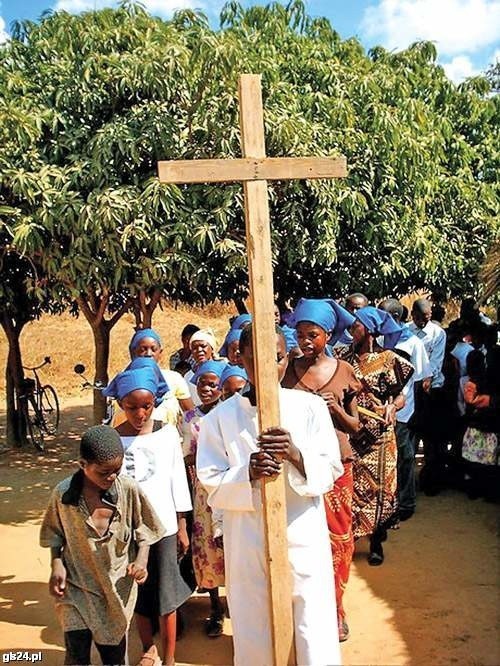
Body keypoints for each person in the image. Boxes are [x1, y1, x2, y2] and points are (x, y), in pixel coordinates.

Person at [197, 324, 344, 666]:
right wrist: (246, 472)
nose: (268, 368)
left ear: (288, 356)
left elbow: (331, 468)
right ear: (238, 358)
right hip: (247, 538)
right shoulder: (220, 418)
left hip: (301, 534)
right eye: (255, 359)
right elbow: (210, 480)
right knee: (254, 624)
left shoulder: (309, 408)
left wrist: (295, 454)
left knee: (311, 624)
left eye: (277, 358)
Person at [40, 425, 165, 666]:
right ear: (82, 465)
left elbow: (146, 529)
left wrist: (141, 561)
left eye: (116, 470)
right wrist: (56, 564)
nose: (111, 477)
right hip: (76, 589)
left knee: (113, 658)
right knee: (76, 655)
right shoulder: (63, 495)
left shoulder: (128, 489)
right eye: (103, 472)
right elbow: (54, 533)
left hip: (116, 593)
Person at [282, 298, 360, 643]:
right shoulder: (286, 371)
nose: (305, 341)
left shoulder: (344, 371)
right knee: (299, 540)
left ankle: (336, 609)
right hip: (295, 467)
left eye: (312, 334)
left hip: (335, 468)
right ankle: (300, 609)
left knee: (338, 538)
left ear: (327, 335)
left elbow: (356, 425)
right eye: (300, 334)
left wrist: (336, 412)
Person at [103, 362, 192, 666]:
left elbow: (178, 479)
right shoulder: (114, 440)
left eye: (147, 406)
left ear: (155, 402)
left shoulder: (167, 435)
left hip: (165, 527)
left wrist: (181, 525)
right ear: (120, 405)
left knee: (167, 597)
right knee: (139, 595)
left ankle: (169, 657)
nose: (140, 414)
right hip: (129, 531)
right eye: (132, 407)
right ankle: (148, 648)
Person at [339, 306, 414, 565]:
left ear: (369, 330)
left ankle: (376, 542)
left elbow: (401, 395)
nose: (351, 329)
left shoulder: (391, 360)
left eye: (356, 325)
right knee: (351, 489)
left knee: (380, 491)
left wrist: (393, 406)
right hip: (350, 433)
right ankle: (348, 541)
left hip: (380, 438)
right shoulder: (341, 356)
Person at [183, 360, 228, 637]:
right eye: (202, 383)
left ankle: (237, 602)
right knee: (207, 550)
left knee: (232, 547)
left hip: (229, 489)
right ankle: (215, 608)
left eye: (213, 384)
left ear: (222, 388)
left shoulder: (230, 415)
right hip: (203, 494)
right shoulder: (190, 419)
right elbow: (186, 453)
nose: (207, 388)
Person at [379, 298, 431, 521]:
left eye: (382, 314)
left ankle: (406, 502)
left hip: (403, 411)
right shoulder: (379, 338)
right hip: (379, 411)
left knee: (405, 457)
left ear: (395, 318)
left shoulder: (412, 344)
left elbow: (421, 379)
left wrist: (416, 414)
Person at [112, 328, 194, 428]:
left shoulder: (174, 379)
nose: (149, 354)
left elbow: (190, 415)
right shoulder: (124, 382)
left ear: (160, 352)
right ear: (134, 352)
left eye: (153, 349)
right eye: (143, 349)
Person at [409, 298, 448, 495]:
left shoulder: (438, 333)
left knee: (432, 438)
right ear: (412, 315)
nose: (424, 321)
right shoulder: (407, 331)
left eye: (427, 317)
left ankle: (431, 481)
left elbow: (436, 361)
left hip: (432, 390)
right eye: (420, 318)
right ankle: (408, 483)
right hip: (411, 389)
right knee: (411, 436)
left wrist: (426, 378)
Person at [461, 350, 499, 501]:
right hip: (492, 427)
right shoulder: (491, 379)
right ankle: (489, 492)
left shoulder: (472, 382)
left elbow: (470, 402)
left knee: (474, 461)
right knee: (490, 462)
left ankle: (475, 489)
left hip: (478, 427)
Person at [185, 329, 218, 406]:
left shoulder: (223, 371)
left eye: (203, 346)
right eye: (194, 348)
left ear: (212, 349)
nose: (199, 350)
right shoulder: (188, 376)